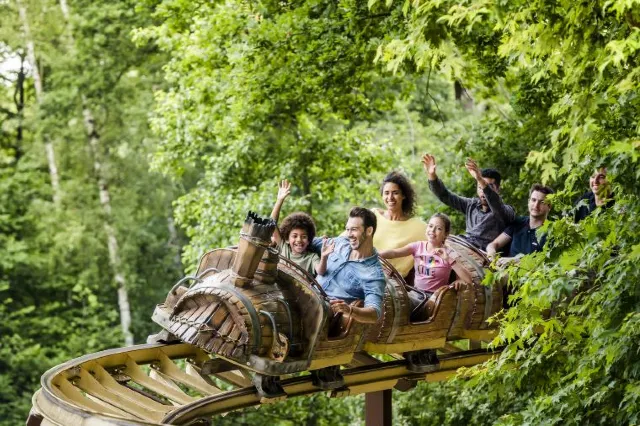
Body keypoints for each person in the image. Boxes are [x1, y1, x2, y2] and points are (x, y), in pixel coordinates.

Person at [422, 154, 516, 251]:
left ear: (498, 189)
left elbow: (497, 205)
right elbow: (445, 196)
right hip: (462, 247)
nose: (483, 191)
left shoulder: (506, 211)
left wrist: (480, 179)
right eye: (480, 186)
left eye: (489, 187)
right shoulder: (471, 204)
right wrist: (432, 176)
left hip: (483, 257)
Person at [311, 207, 386, 324]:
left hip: (322, 317)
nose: (349, 234)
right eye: (347, 229)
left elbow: (374, 313)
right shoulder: (339, 243)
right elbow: (309, 242)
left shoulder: (373, 274)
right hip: (305, 295)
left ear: (369, 231)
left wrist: (349, 310)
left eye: (354, 230)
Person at [379, 213, 472, 295]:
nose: (432, 230)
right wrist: (375, 254)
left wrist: (448, 260)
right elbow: (394, 253)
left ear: (446, 234)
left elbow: (468, 279)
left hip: (435, 298)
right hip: (416, 293)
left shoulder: (449, 252)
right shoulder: (418, 246)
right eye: (430, 226)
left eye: (438, 228)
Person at [372, 171, 427, 278]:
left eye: (395, 193)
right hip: (362, 270)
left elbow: (443, 246)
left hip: (390, 282)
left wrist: (459, 278)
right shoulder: (373, 215)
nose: (390, 197)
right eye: (386, 193)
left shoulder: (418, 227)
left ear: (404, 196)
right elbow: (348, 236)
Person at [486, 184, 554, 264]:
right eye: (533, 200)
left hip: (531, 275)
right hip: (503, 271)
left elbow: (547, 263)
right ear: (529, 202)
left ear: (549, 206)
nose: (536, 205)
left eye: (542, 202)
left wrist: (516, 261)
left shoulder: (552, 232)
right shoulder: (519, 222)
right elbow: (494, 244)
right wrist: (492, 254)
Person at [270, 179, 320, 275]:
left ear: (309, 240)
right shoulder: (283, 247)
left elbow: (320, 269)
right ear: (287, 239)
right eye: (294, 236)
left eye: (304, 236)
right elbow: (272, 222)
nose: (299, 240)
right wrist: (279, 200)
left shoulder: (312, 257)